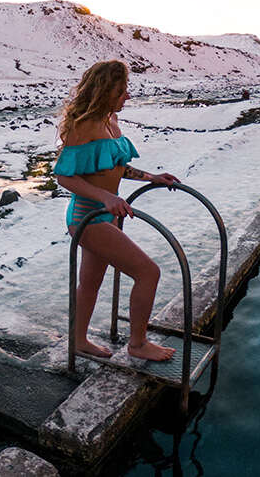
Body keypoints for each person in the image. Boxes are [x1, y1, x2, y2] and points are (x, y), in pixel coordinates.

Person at [54, 60, 179, 361]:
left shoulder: (112, 123)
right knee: (148, 272)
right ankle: (138, 344)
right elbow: (63, 176)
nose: (127, 97)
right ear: (106, 90)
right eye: (122, 91)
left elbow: (116, 167)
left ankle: (79, 340)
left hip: (106, 215)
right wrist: (103, 197)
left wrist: (152, 177)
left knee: (91, 283)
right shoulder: (84, 125)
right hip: (88, 216)